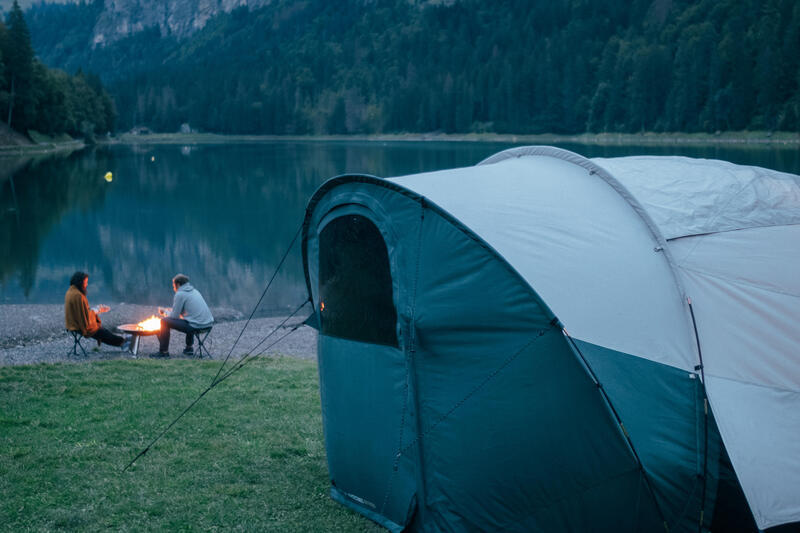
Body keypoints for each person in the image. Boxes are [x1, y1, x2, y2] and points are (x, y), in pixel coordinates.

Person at [64, 271, 131, 350]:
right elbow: (84, 317)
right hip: (77, 325)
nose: (86, 285)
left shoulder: (70, 291)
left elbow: (82, 312)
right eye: (85, 282)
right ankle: (122, 343)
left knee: (102, 330)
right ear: (80, 282)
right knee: (100, 332)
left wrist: (96, 309)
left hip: (72, 323)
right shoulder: (78, 296)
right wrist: (97, 310)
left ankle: (122, 340)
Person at [151, 274, 214, 358]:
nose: (173, 288)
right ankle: (189, 349)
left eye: (173, 285)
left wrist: (164, 312)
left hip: (197, 326)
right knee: (190, 319)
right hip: (208, 325)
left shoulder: (180, 294)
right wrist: (170, 311)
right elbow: (186, 312)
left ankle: (163, 352)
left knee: (164, 322)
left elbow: (174, 317)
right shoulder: (194, 291)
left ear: (177, 284)